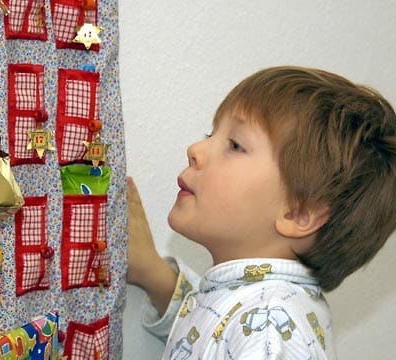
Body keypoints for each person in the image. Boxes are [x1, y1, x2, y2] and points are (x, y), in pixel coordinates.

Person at [126, 66, 396, 359]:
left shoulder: (267, 329)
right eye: (211, 133)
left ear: (299, 213)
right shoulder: (262, 310)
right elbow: (208, 336)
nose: (195, 149)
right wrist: (153, 274)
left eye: (235, 145)